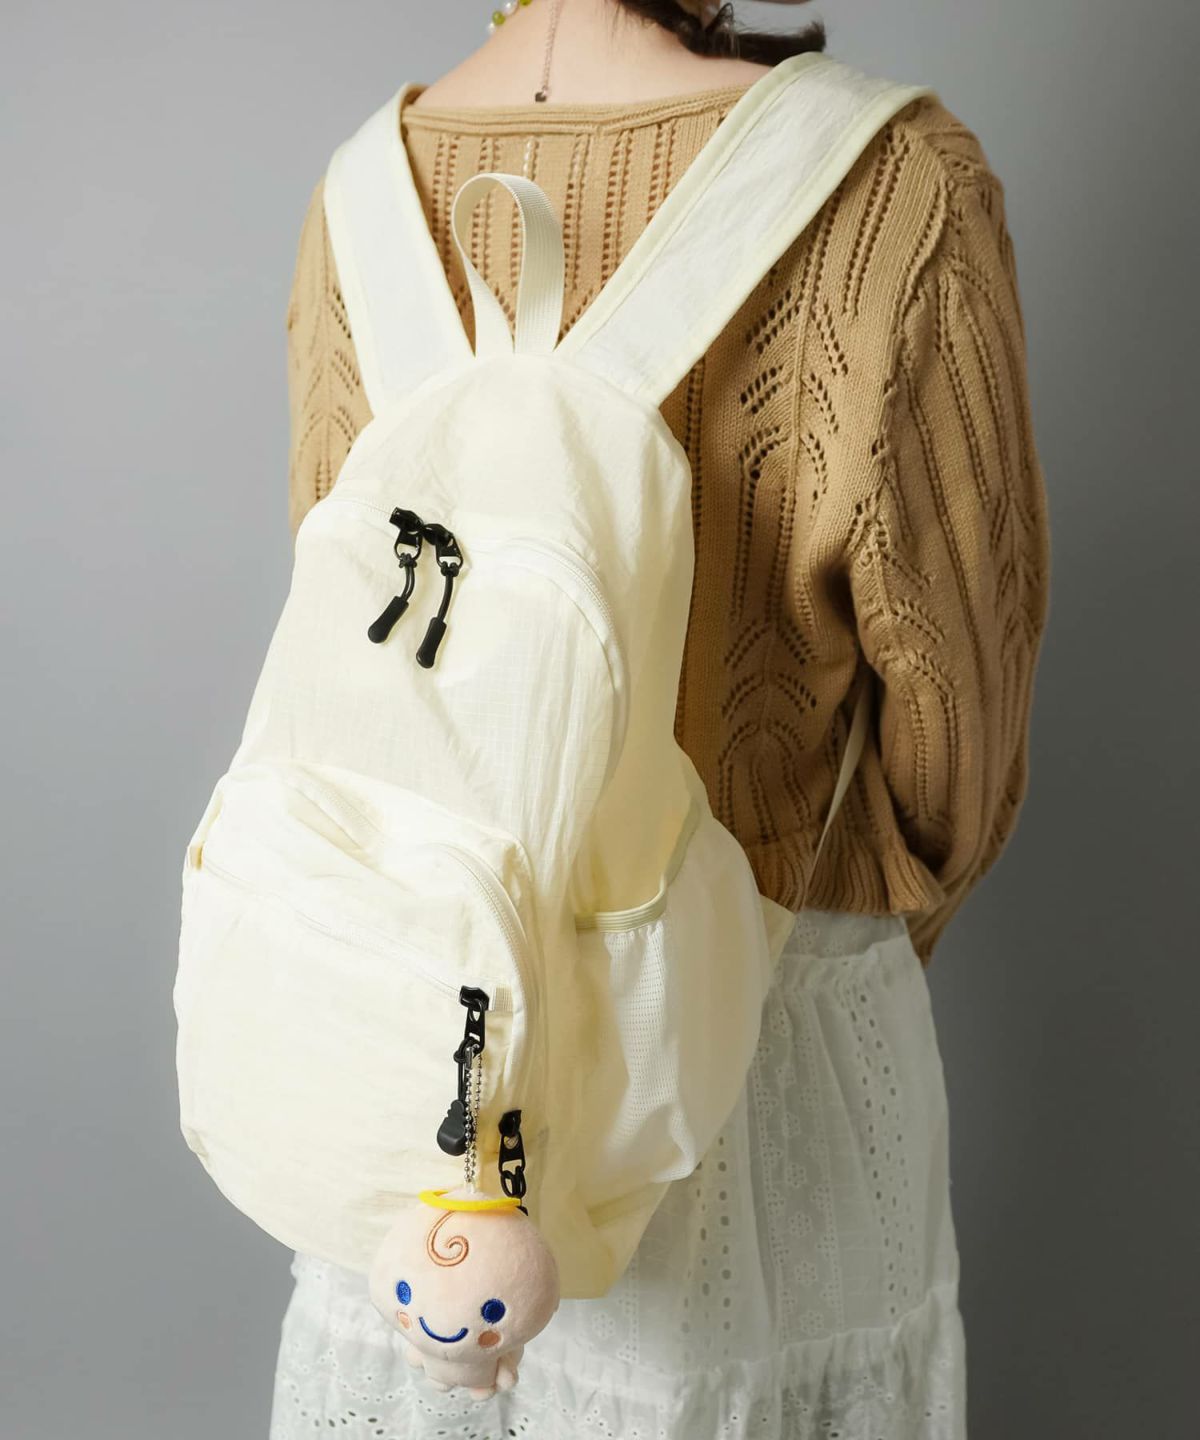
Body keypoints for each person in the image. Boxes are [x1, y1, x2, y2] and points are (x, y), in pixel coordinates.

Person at [271, 1, 1051, 1435]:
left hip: (428, 1080)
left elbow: (358, 664)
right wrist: (814, 930)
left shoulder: (364, 193)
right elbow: (960, 720)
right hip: (761, 1047)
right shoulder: (891, 188)